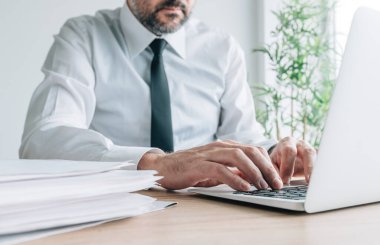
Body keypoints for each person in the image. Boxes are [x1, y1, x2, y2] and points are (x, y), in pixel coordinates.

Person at [20, 0, 316, 192]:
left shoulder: (222, 48)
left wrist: (274, 152)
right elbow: (42, 140)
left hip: (206, 212)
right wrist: (155, 166)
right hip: (117, 210)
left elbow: (242, 137)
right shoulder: (84, 37)